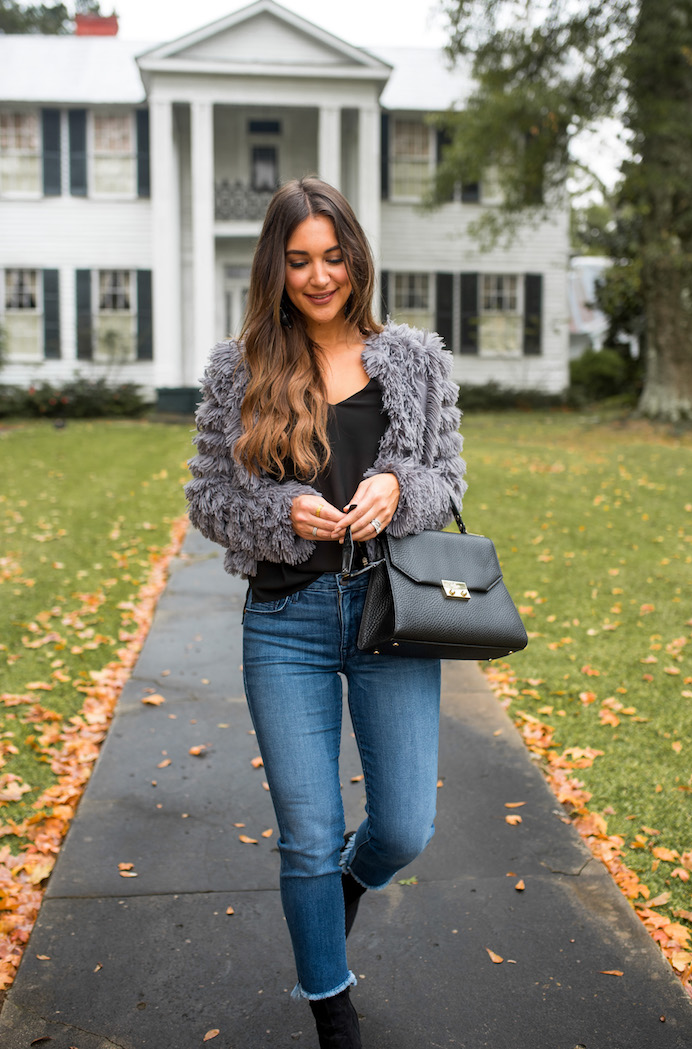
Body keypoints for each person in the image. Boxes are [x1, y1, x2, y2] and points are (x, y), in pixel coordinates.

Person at [186, 177, 466, 1049]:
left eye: (333, 256)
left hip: (393, 614)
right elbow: (207, 498)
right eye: (299, 259)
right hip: (286, 621)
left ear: (356, 256)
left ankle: (342, 885)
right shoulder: (240, 370)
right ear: (276, 264)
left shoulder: (414, 359)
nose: (319, 276)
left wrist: (396, 484)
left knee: (404, 826)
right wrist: (280, 512)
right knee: (305, 836)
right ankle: (331, 1006)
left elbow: (448, 478)